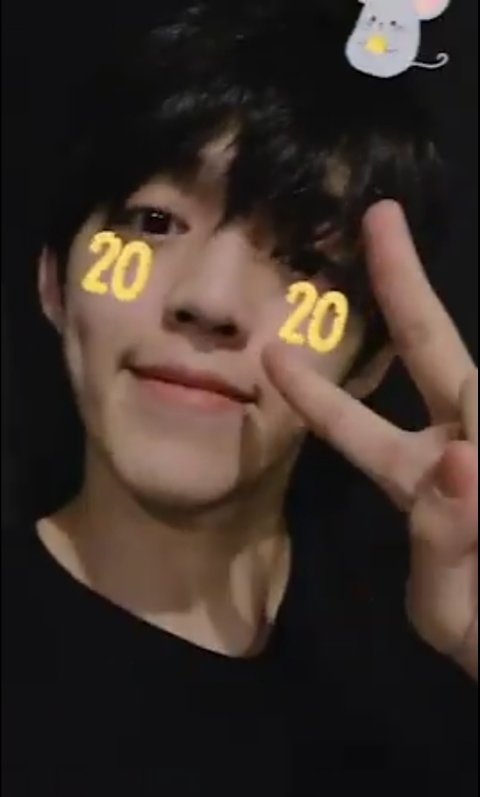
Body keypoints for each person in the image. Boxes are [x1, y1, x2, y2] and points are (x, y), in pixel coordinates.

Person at [2, 1, 477, 795]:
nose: (210, 300)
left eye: (305, 260)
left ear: (370, 360)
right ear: (55, 281)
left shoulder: (433, 647)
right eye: (155, 221)